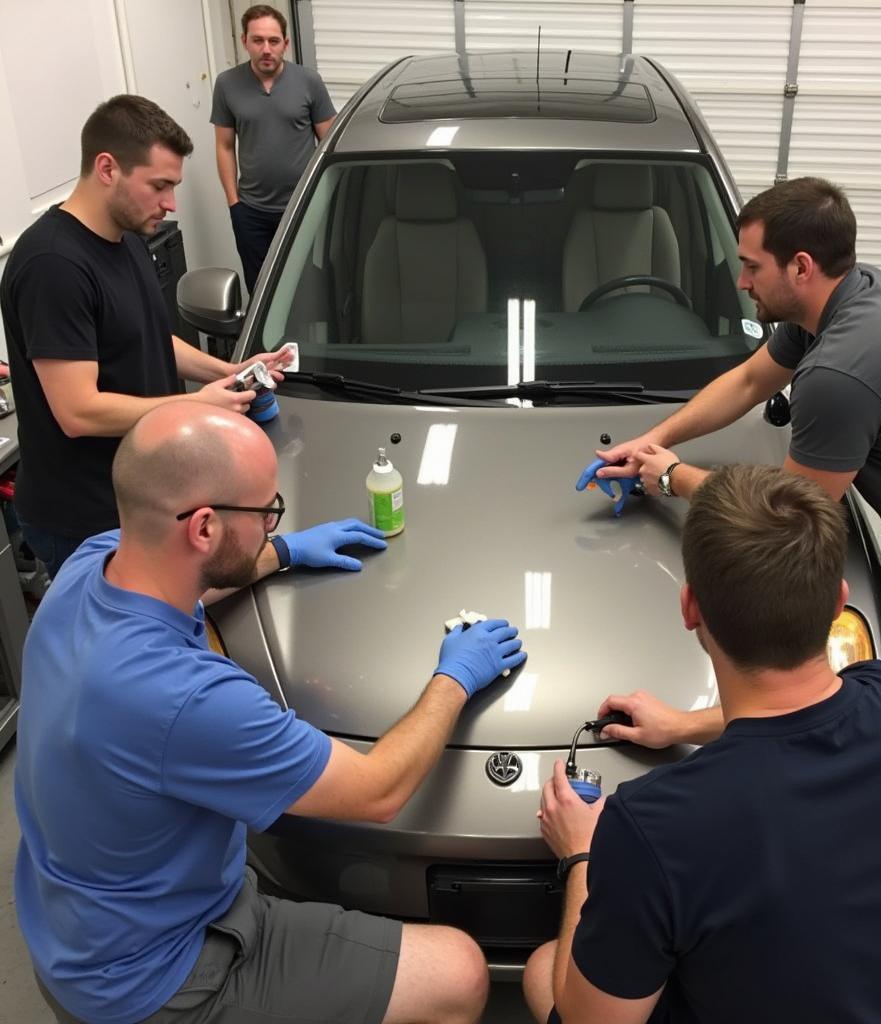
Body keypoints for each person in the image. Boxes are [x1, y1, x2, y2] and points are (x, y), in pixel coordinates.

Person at [580, 176, 881, 938]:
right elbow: (752, 380)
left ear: (802, 267)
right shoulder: (838, 306)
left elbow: (791, 509)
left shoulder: (842, 371)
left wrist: (669, 478)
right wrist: (660, 440)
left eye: (752, 267)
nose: (740, 279)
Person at [15, 401, 527, 1024]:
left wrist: (280, 551)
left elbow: (190, 580)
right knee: (459, 972)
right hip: (156, 976)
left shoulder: (89, 566)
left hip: (78, 923)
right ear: (202, 527)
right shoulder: (183, 697)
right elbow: (379, 790)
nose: (271, 522)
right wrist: (454, 676)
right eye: (266, 512)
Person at [526, 465, 881, 1024]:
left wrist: (584, 854)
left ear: (690, 608)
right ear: (837, 603)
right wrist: (681, 725)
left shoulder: (652, 826)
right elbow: (797, 711)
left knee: (546, 971)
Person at [0, 94, 291, 580]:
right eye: (159, 186)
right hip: (85, 519)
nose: (170, 203)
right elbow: (78, 411)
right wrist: (195, 407)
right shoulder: (53, 265)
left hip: (140, 495)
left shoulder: (126, 239)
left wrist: (230, 371)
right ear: (108, 168)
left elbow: (151, 338)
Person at [212, 4, 336, 293]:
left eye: (273, 41)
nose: (266, 49)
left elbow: (329, 145)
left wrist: (323, 198)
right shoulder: (227, 84)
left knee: (307, 286)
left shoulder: (309, 82)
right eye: (258, 40)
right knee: (260, 288)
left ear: (285, 44)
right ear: (245, 41)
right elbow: (224, 146)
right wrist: (234, 203)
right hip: (250, 211)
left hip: (302, 207)